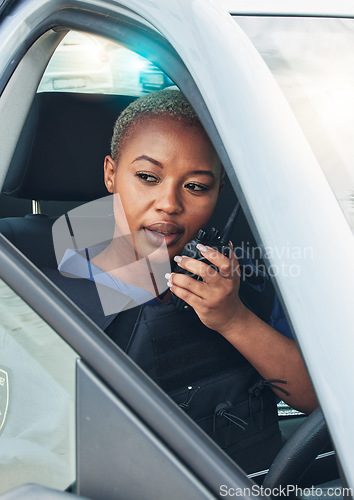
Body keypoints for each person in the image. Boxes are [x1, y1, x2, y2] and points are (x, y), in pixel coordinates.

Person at [48, 89, 317, 473]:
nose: (170, 203)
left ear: (218, 191)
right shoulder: (45, 284)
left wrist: (234, 320)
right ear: (111, 173)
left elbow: (318, 403)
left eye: (196, 186)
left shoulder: (240, 278)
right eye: (147, 177)